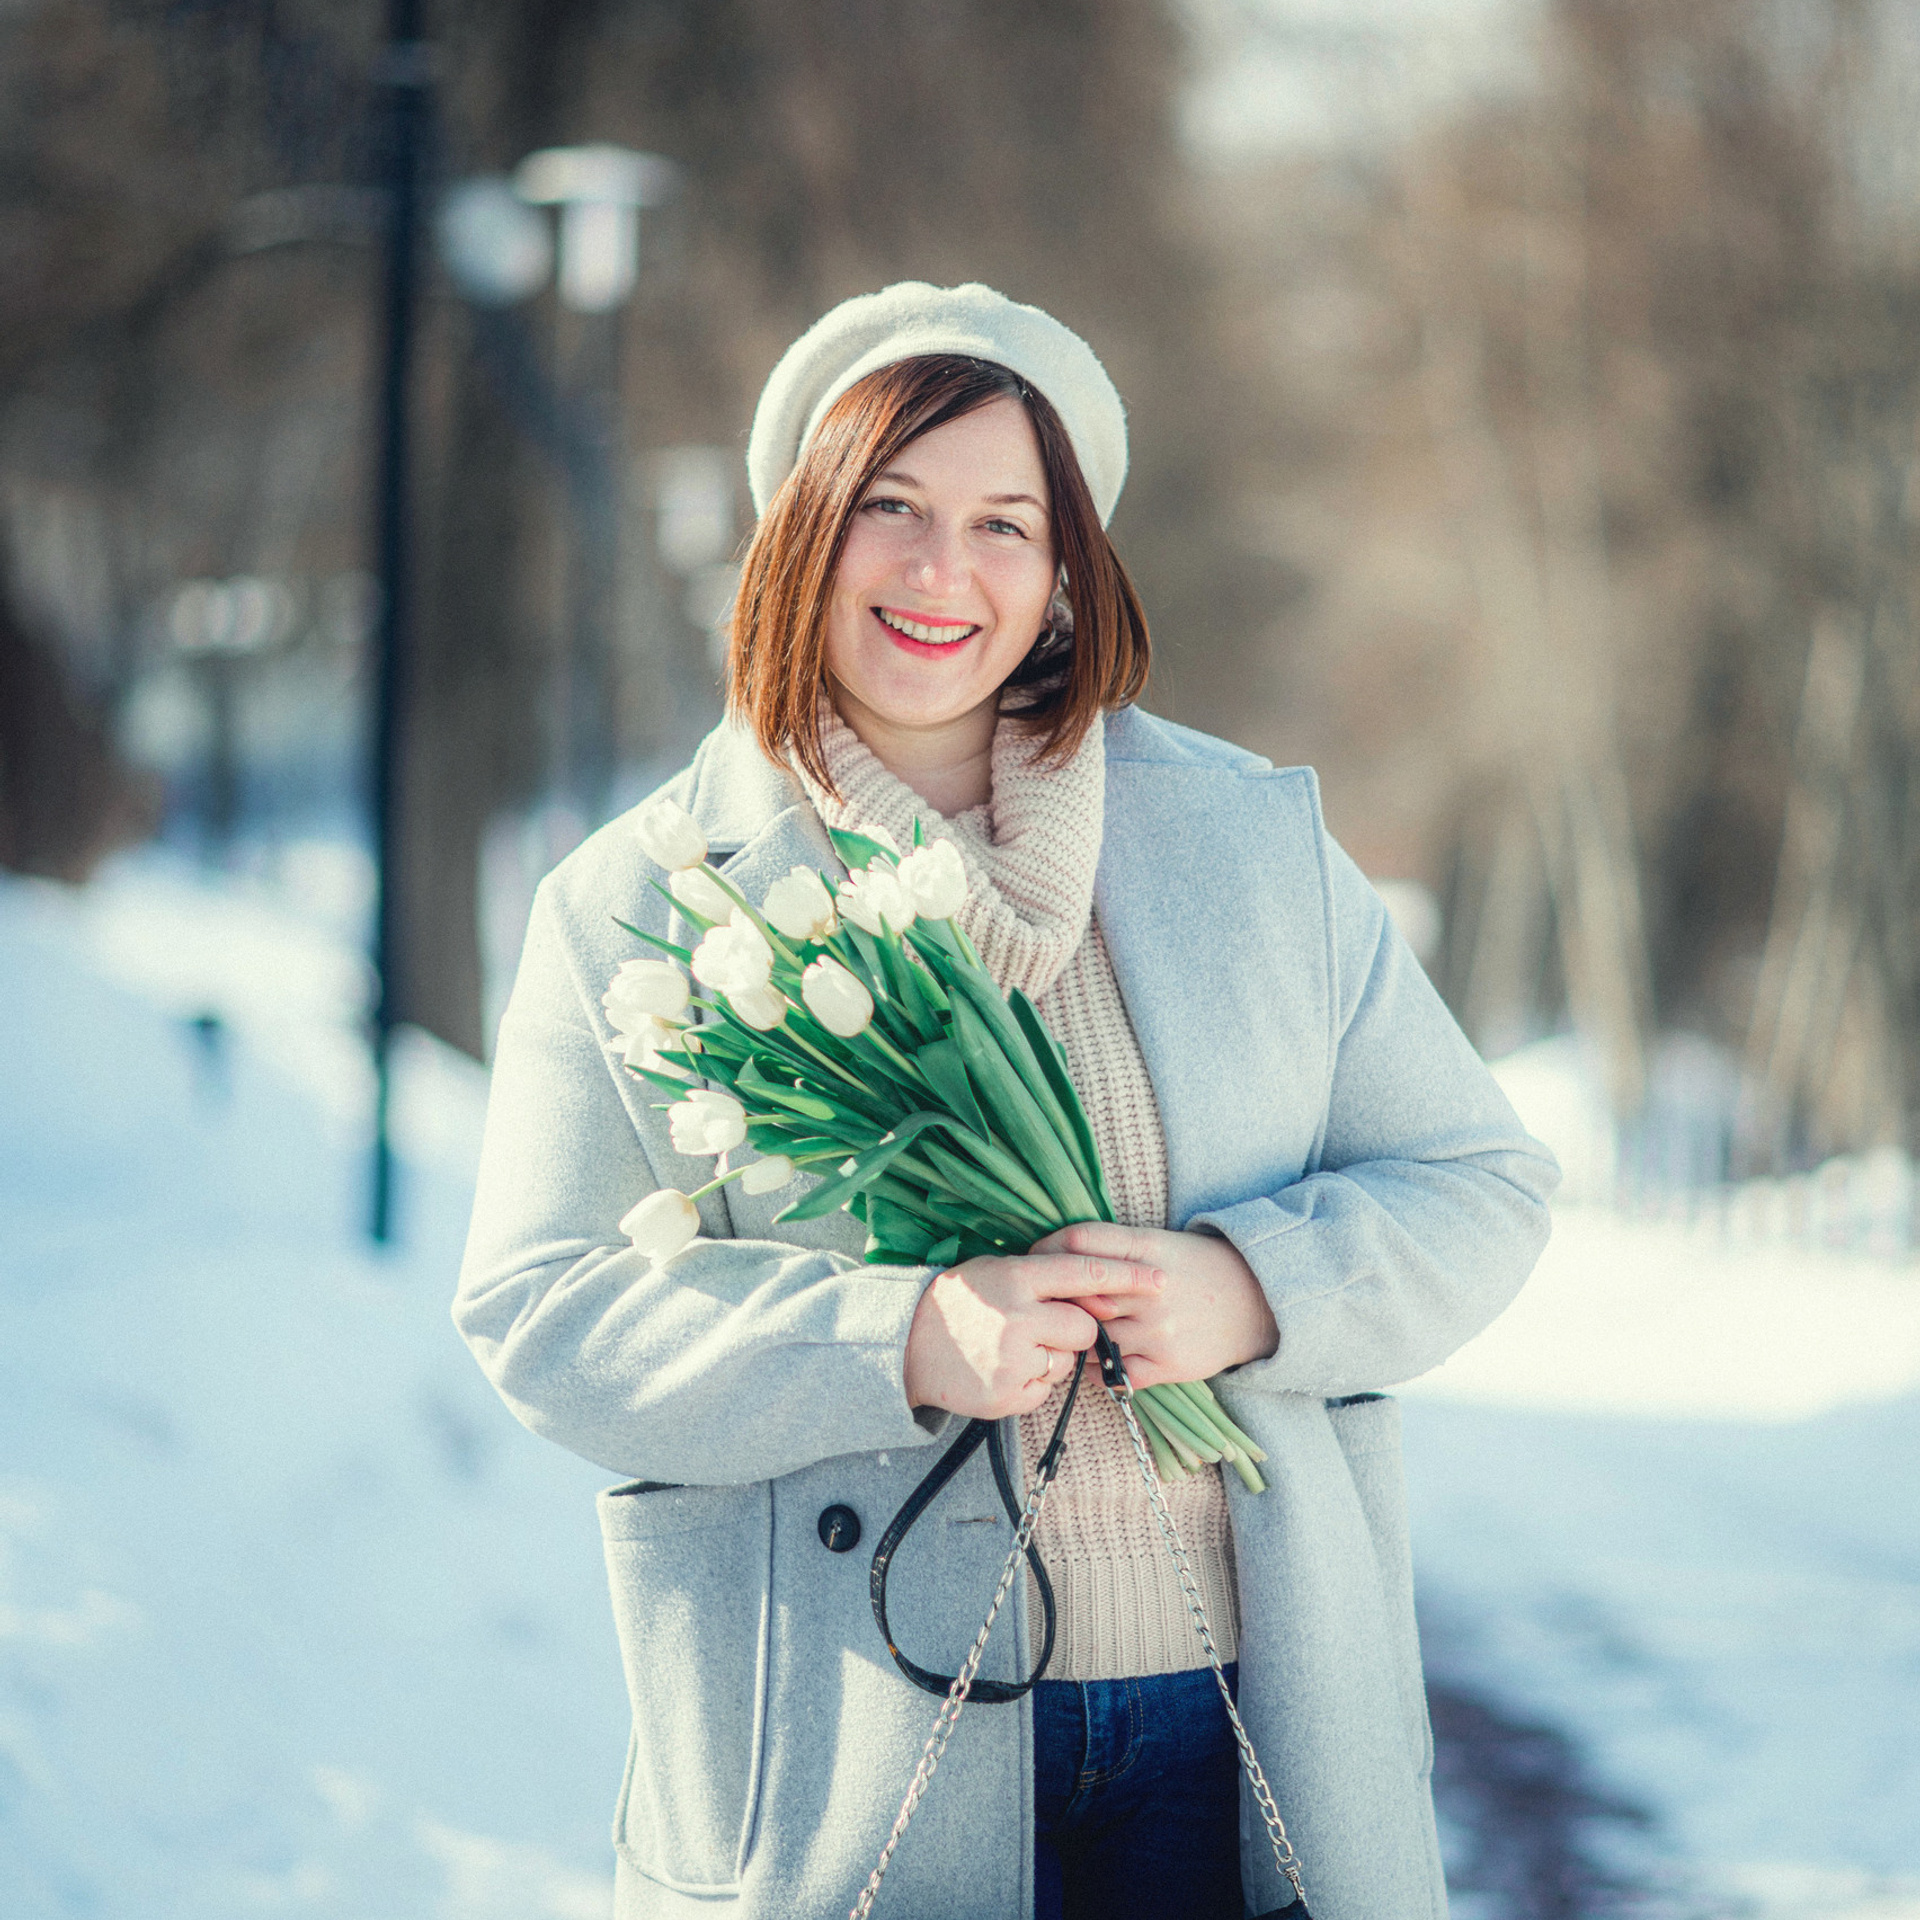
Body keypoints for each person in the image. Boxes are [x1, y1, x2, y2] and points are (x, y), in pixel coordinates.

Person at [455, 281, 1559, 1920]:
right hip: (849, 1733)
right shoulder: (648, 903)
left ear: (1061, 576)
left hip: (1239, 1714)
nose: (939, 572)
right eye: (889, 509)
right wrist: (893, 1339)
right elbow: (544, 1309)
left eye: (1001, 523)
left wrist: (1255, 1289)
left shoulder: (1244, 847)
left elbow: (1481, 1178)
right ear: (801, 536)